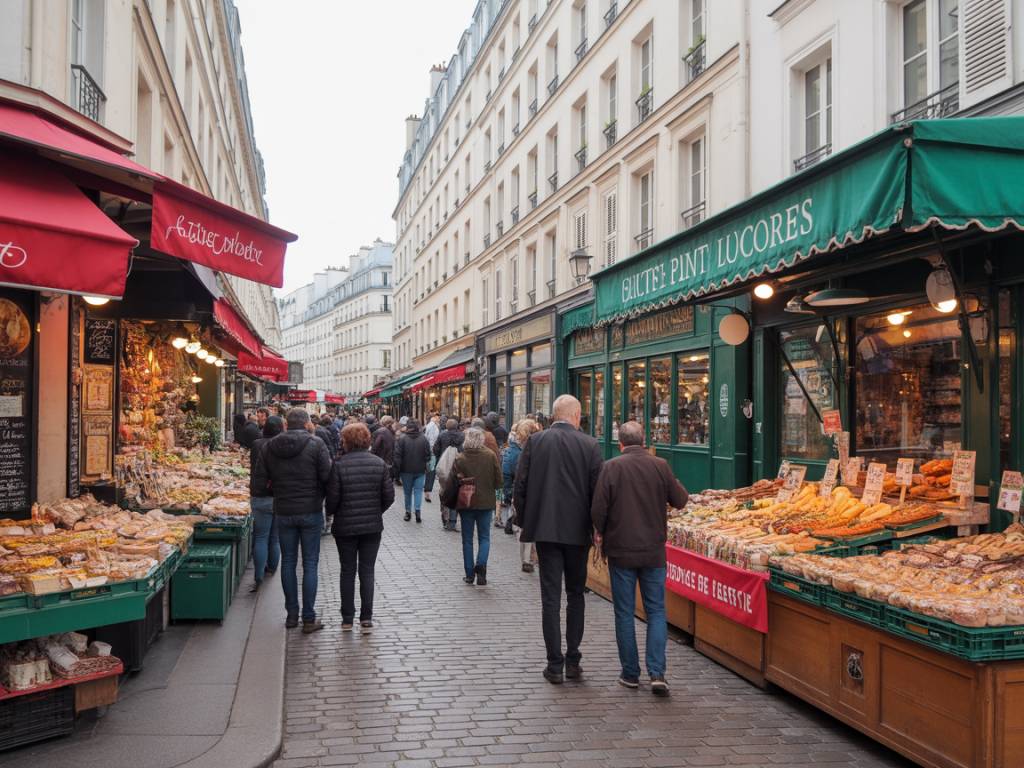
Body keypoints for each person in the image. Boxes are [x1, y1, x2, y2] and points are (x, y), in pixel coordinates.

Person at [591, 422, 688, 696]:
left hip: (621, 550)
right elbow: (681, 500)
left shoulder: (611, 467)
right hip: (653, 551)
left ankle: (630, 673)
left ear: (620, 443)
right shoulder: (660, 465)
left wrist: (600, 532)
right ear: (643, 441)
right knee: (656, 610)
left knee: (624, 612)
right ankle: (657, 673)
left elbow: (598, 509)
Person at [513, 394, 603, 685]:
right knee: (576, 595)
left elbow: (521, 484)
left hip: (546, 531)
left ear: (554, 416)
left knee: (550, 598)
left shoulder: (536, 443)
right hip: (578, 532)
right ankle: (573, 660)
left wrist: (524, 521)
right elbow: (597, 493)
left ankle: (554, 665)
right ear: (576, 415)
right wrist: (597, 527)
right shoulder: (589, 445)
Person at [252, 408, 331, 633]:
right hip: (311, 510)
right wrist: (320, 496)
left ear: (287, 424)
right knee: (310, 563)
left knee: (288, 562)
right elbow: (327, 476)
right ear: (306, 424)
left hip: (284, 510)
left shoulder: (269, 447)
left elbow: (259, 483)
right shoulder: (316, 445)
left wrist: (276, 488)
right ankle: (308, 617)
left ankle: (291, 615)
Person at [326, 422, 395, 632]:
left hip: (345, 527)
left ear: (345, 441)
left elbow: (332, 499)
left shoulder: (338, 465)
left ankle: (347, 618)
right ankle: (366, 617)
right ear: (367, 440)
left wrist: (334, 512)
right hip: (372, 527)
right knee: (367, 571)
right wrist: (375, 511)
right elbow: (389, 496)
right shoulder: (379, 464)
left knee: (347, 571)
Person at [452, 427, 502, 586]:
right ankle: (481, 567)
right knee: (484, 537)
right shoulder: (490, 455)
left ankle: (469, 574)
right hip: (486, 502)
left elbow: (454, 481)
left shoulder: (460, 458)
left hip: (466, 503)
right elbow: (499, 481)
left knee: (467, 539)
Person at [249, 415, 283, 593]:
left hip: (260, 495)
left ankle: (258, 575)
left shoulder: (257, 444)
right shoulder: (283, 445)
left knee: (260, 536)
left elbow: (254, 467)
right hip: (278, 496)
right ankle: (272, 568)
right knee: (274, 537)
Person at [504, 419, 541, 551]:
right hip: (539, 495)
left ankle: (528, 558)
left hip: (528, 495)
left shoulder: (523, 451)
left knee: (525, 527)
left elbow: (518, 478)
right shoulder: (542, 446)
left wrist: (513, 497)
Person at [393, 418, 430, 523]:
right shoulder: (424, 439)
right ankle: (417, 512)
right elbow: (428, 455)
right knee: (418, 491)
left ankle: (408, 512)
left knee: (407, 492)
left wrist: (397, 473)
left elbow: (397, 457)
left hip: (406, 470)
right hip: (420, 470)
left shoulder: (402, 439)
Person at [434, 419, 465, 531]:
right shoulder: (462, 436)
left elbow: (435, 449)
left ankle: (445, 518)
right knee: (456, 493)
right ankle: (453, 521)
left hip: (444, 469)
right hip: (458, 469)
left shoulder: (442, 435)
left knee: (444, 493)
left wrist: (441, 456)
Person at [424, 414, 441, 503]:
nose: (439, 419)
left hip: (431, 452)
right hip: (432, 453)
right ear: (434, 418)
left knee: (430, 471)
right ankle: (427, 491)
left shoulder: (430, 425)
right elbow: (431, 440)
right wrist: (432, 452)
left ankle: (427, 491)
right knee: (431, 471)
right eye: (438, 417)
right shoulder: (433, 426)